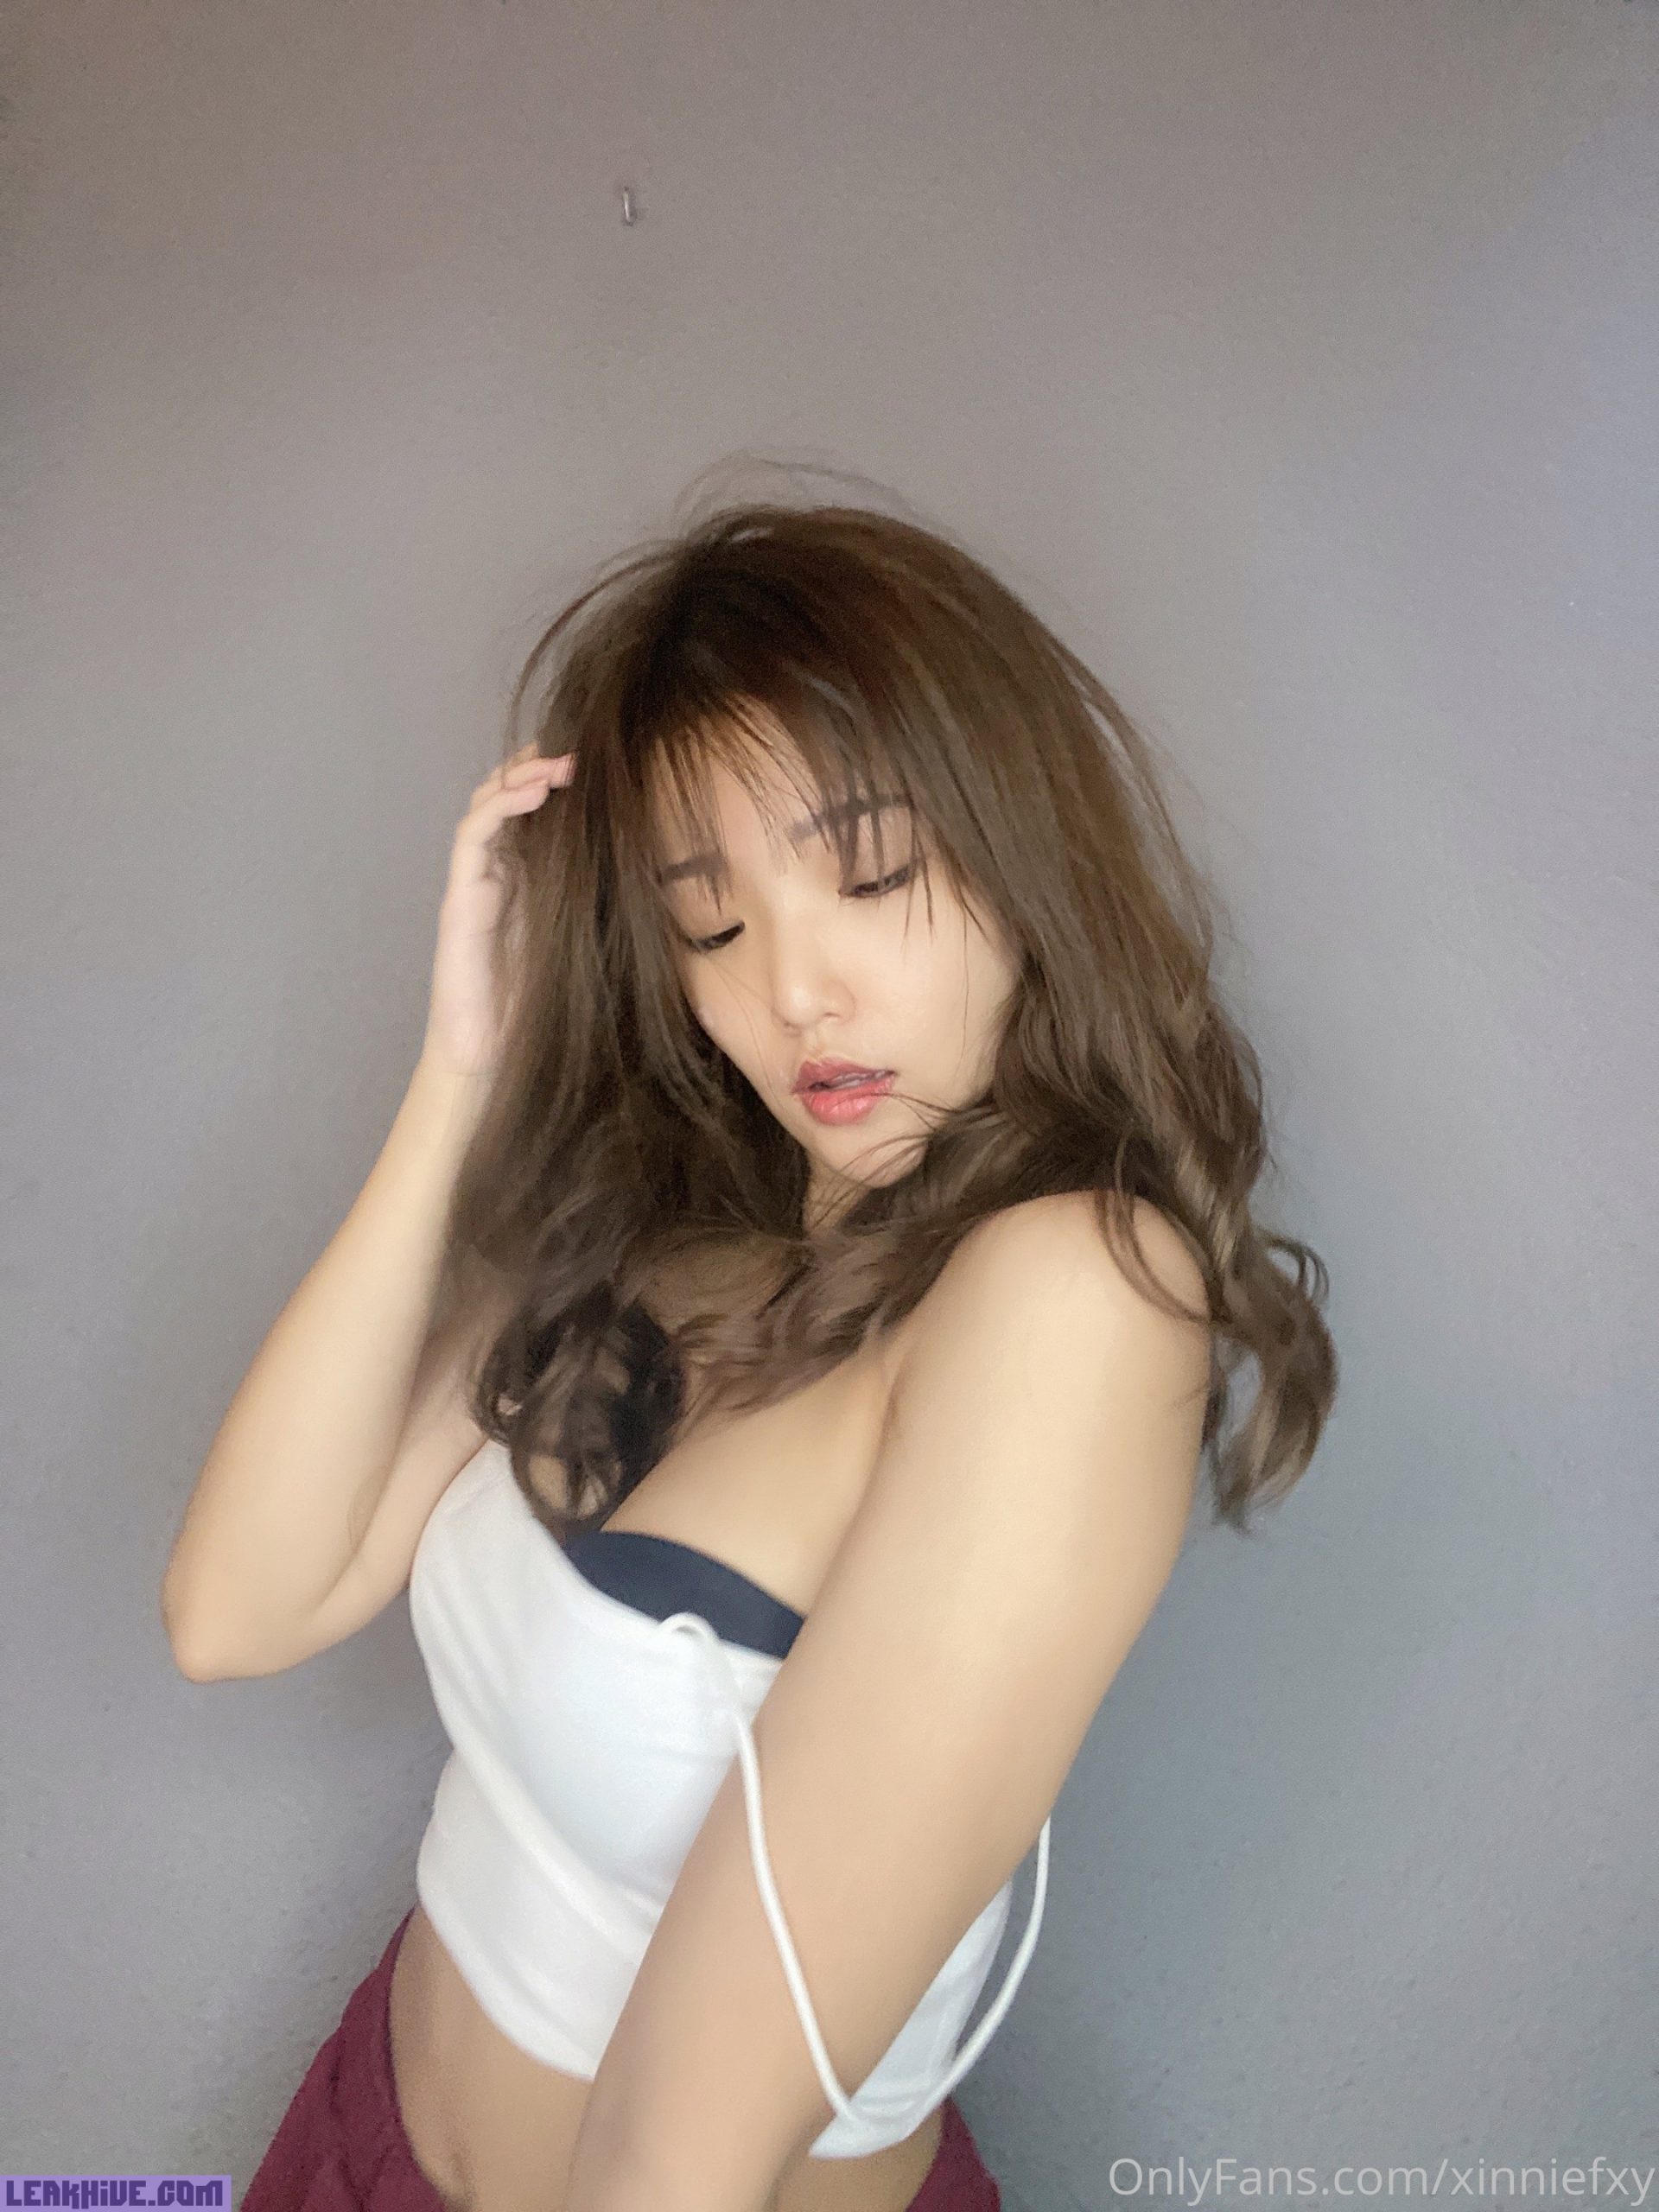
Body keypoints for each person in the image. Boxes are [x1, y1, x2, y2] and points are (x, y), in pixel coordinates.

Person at [162, 480, 1338, 2212]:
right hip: (348, 2133)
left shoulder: (1072, 1295)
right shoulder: (670, 1223)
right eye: (711, 919)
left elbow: (679, 2156)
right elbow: (239, 1608)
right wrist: (459, 1075)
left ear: (1023, 856)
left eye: (870, 873)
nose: (794, 992)